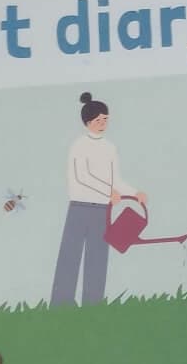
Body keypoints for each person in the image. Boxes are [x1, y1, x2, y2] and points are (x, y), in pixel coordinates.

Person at [51, 91, 146, 306]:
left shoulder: (110, 147)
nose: (103, 123)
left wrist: (134, 192)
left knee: (97, 257)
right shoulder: (79, 145)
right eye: (98, 120)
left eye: (105, 120)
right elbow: (82, 176)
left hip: (103, 210)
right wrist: (108, 192)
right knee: (70, 256)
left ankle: (93, 303)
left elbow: (115, 179)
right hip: (79, 207)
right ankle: (60, 303)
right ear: (87, 122)